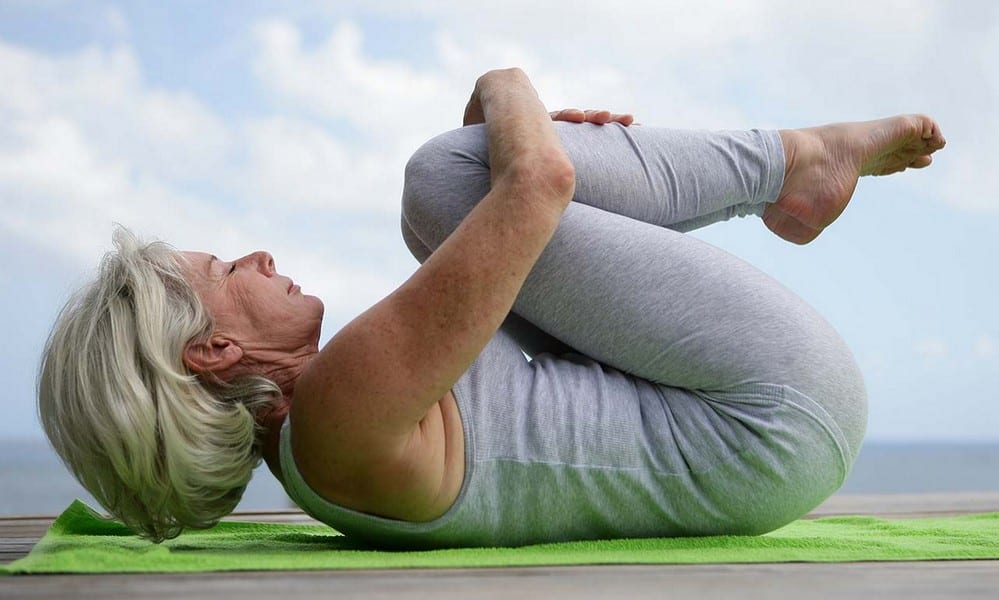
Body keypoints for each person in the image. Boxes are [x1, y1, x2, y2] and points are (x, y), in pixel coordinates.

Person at [38, 68, 946, 548]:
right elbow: (539, 180)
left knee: (464, 192)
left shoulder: (323, 457)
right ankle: (791, 162)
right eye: (227, 266)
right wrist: (506, 88)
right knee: (443, 179)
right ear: (213, 349)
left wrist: (521, 160)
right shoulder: (340, 410)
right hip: (774, 409)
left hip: (762, 444)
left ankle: (791, 171)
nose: (261, 254)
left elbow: (521, 246)